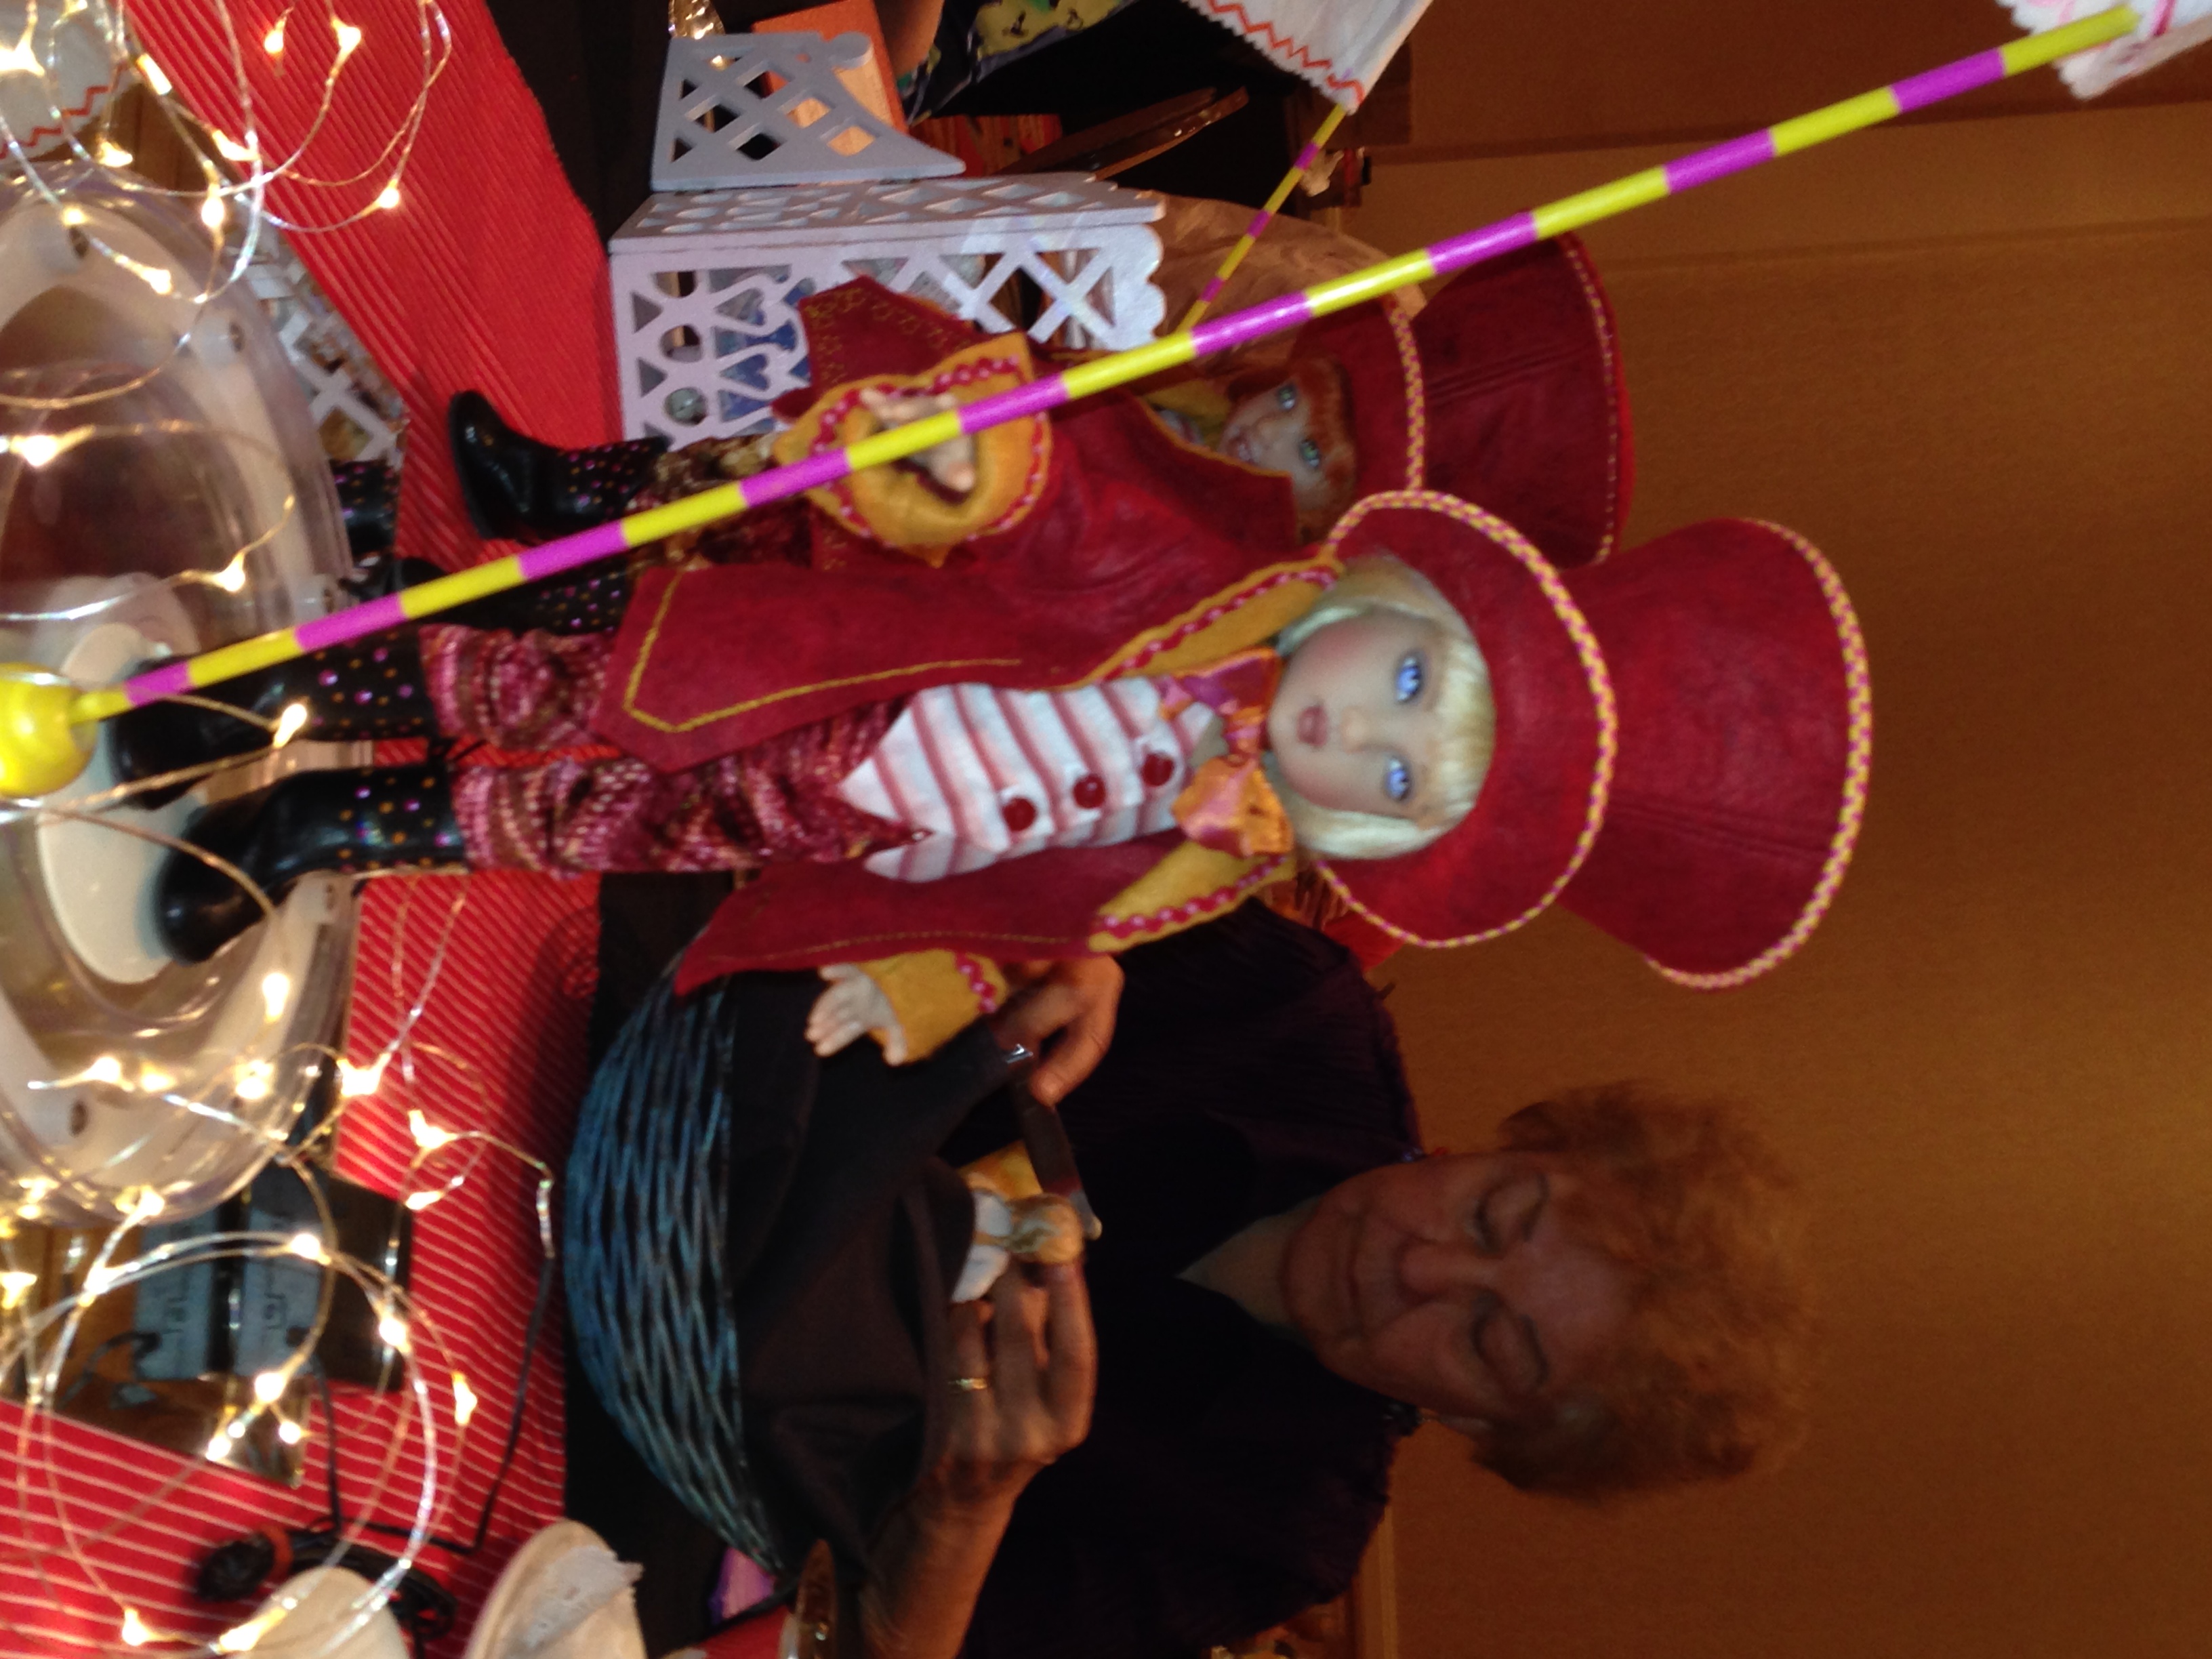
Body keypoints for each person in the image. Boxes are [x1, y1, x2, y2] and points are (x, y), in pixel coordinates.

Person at [564, 895, 1814, 1659]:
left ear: (1484, 1428)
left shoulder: (1281, 1528)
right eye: (1497, 1211)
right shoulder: (1300, 1017)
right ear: (1509, 1142)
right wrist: (1055, 925)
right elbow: (921, 825)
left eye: (1491, 1340)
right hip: (623, 1063)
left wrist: (966, 1513)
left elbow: (885, 1651)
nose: (1422, 1264)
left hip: (622, 1431)